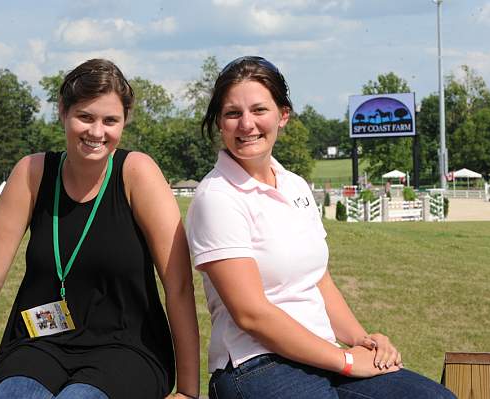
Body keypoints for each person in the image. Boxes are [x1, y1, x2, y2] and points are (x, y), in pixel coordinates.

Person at [185, 56, 455, 399]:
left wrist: (362, 341)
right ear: (220, 123)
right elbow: (251, 314)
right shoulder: (218, 197)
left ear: (283, 115)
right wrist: (345, 360)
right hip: (255, 364)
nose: (247, 124)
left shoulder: (295, 185)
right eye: (233, 113)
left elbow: (320, 281)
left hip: (321, 354)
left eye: (259, 110)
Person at [0, 59, 200, 399]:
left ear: (124, 121)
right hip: (38, 343)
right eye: (85, 116)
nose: (97, 132)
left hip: (126, 349)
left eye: (110, 120)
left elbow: (179, 286)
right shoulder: (32, 173)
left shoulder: (137, 173)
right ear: (63, 112)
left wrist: (188, 390)